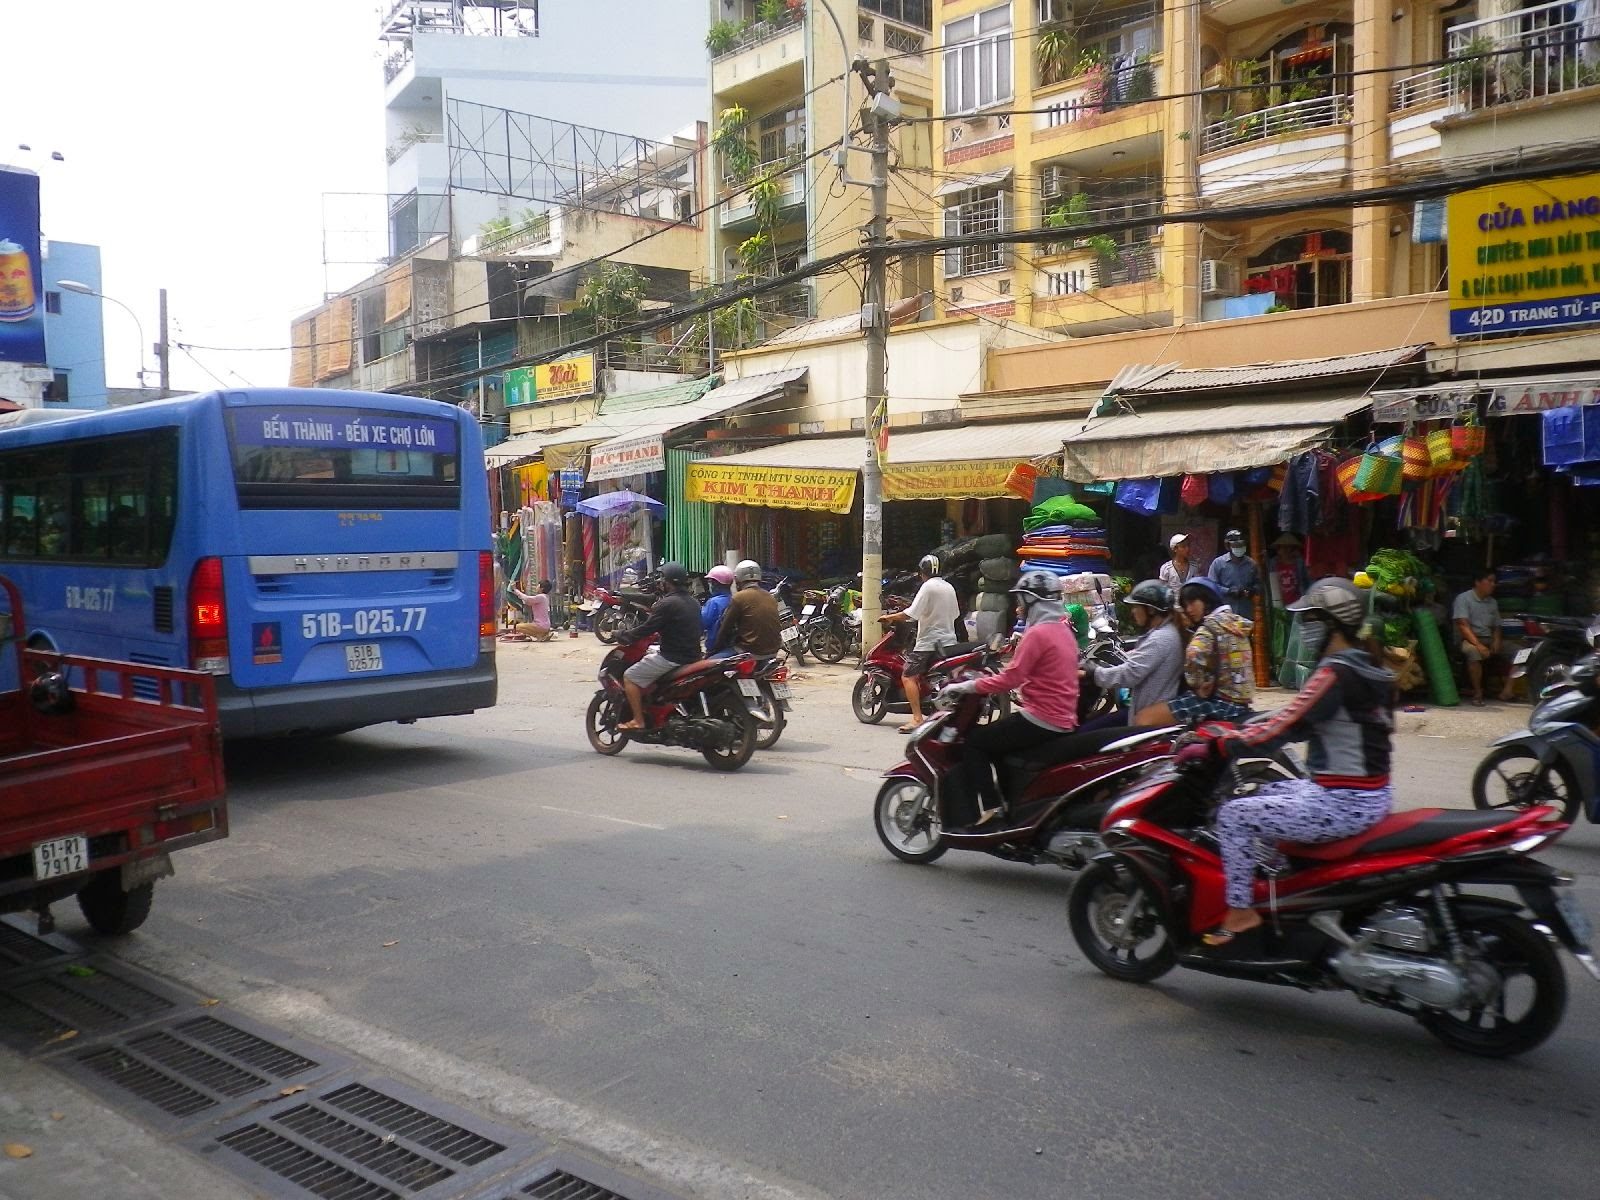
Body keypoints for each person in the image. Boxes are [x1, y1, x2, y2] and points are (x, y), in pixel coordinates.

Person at [1177, 577, 1395, 946]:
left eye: (1310, 621)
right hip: (1369, 795)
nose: (1304, 629)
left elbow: (1287, 725)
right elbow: (1301, 716)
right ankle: (1287, 887)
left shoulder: (1334, 672)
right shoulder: (1369, 668)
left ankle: (1241, 911)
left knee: (1233, 816)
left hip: (1342, 801)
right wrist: (1250, 724)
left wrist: (1219, 746)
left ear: (1331, 624)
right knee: (1270, 787)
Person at [943, 570, 1080, 826]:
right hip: (1062, 717)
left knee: (975, 743)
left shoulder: (1037, 634)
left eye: (1022, 601)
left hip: (1042, 718)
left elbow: (1010, 678)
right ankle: (1011, 808)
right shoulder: (1063, 630)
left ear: (1034, 602)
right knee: (1001, 748)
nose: (1018, 608)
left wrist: (967, 687)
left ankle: (992, 808)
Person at [1140, 576, 1254, 726]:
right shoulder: (1236, 624)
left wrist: (1197, 684)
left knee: (1144, 718)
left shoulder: (1209, 627)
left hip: (1219, 703)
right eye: (1185, 605)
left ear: (1207, 600)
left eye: (1192, 602)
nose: (1189, 610)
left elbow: (1194, 655)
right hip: (1240, 702)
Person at [1080, 579, 1184, 729]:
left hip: (1147, 721)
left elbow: (1130, 675)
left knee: (1086, 735)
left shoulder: (1160, 638)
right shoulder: (1167, 632)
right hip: (1146, 710)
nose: (1133, 611)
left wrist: (1094, 673)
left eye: (1136, 607)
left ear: (1151, 610)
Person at [617, 562, 703, 732]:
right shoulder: (694, 603)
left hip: (672, 658)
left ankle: (638, 720)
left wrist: (624, 635)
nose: (660, 583)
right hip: (693, 656)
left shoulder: (667, 604)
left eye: (662, 580)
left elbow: (646, 629)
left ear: (667, 582)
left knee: (630, 676)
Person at [882, 554, 961, 733]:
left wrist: (889, 617)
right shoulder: (948, 587)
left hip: (929, 642)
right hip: (949, 641)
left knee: (908, 675)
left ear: (922, 572)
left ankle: (917, 718)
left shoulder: (928, 587)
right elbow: (955, 614)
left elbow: (911, 613)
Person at [1453, 568, 1511, 706]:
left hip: (1488, 639)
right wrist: (1479, 645)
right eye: (1489, 581)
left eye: (1494, 581)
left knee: (1522, 653)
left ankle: (1507, 691)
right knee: (1473, 652)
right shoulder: (1463, 598)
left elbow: (1497, 626)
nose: (1493, 584)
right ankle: (1478, 692)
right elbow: (1463, 626)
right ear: (1478, 582)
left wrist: (1496, 640)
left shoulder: (1492, 602)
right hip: (1468, 639)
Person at [710, 559, 782, 659]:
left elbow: (725, 628)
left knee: (709, 664)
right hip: (773, 652)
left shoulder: (739, 597)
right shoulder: (770, 596)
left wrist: (713, 650)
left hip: (750, 652)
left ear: (737, 580)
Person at [1208, 528, 1260, 612]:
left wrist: (1252, 591)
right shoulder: (1218, 563)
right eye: (1236, 545)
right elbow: (1211, 585)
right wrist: (1229, 591)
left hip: (1246, 611)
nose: (1239, 547)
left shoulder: (1251, 564)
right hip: (1225, 611)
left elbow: (1259, 584)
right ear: (1228, 546)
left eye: (1241, 545)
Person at [1159, 533, 1201, 599]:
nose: (1187, 549)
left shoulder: (1194, 567)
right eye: (1183, 546)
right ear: (1175, 549)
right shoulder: (1166, 568)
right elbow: (1162, 590)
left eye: (1188, 545)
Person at [701, 565, 735, 643]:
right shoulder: (734, 599)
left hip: (715, 645)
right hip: (732, 645)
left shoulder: (713, 602)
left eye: (711, 582)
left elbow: (702, 623)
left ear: (715, 584)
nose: (710, 585)